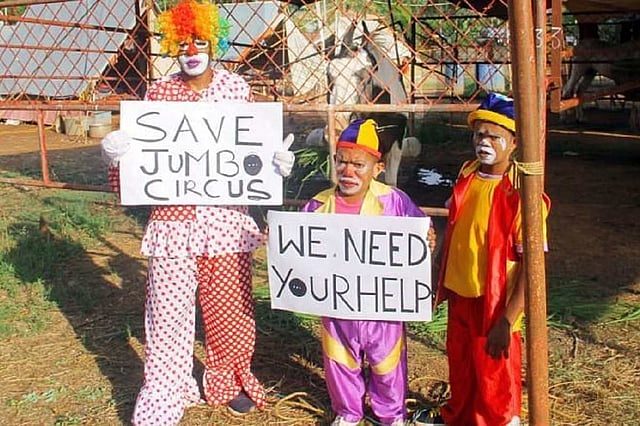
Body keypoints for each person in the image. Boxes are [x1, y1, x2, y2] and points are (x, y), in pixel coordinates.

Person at [100, 1, 295, 425]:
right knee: (167, 312)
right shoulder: (159, 93)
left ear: (214, 44)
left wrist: (273, 167)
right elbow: (143, 164)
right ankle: (165, 390)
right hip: (173, 223)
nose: (191, 51)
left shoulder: (236, 89)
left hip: (226, 222)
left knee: (230, 309)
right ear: (173, 46)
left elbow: (250, 148)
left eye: (200, 42)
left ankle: (230, 379)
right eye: (183, 43)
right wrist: (118, 159)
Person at [302, 118, 436, 426]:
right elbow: (300, 245)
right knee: (339, 360)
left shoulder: (394, 200)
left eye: (358, 165)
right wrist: (278, 238)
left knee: (387, 362)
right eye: (342, 162)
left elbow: (419, 230)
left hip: (382, 308)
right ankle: (348, 412)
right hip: (337, 304)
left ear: (377, 168)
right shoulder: (319, 204)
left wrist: (428, 237)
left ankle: (391, 413)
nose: (348, 172)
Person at [429, 93, 550, 426]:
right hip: (460, 293)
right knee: (462, 364)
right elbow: (457, 227)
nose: (484, 142)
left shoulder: (522, 195)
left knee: (494, 373)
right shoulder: (467, 175)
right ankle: (459, 417)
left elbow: (532, 267)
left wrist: (507, 320)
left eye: (495, 136)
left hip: (495, 302)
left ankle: (499, 421)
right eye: (479, 134)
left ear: (514, 143)